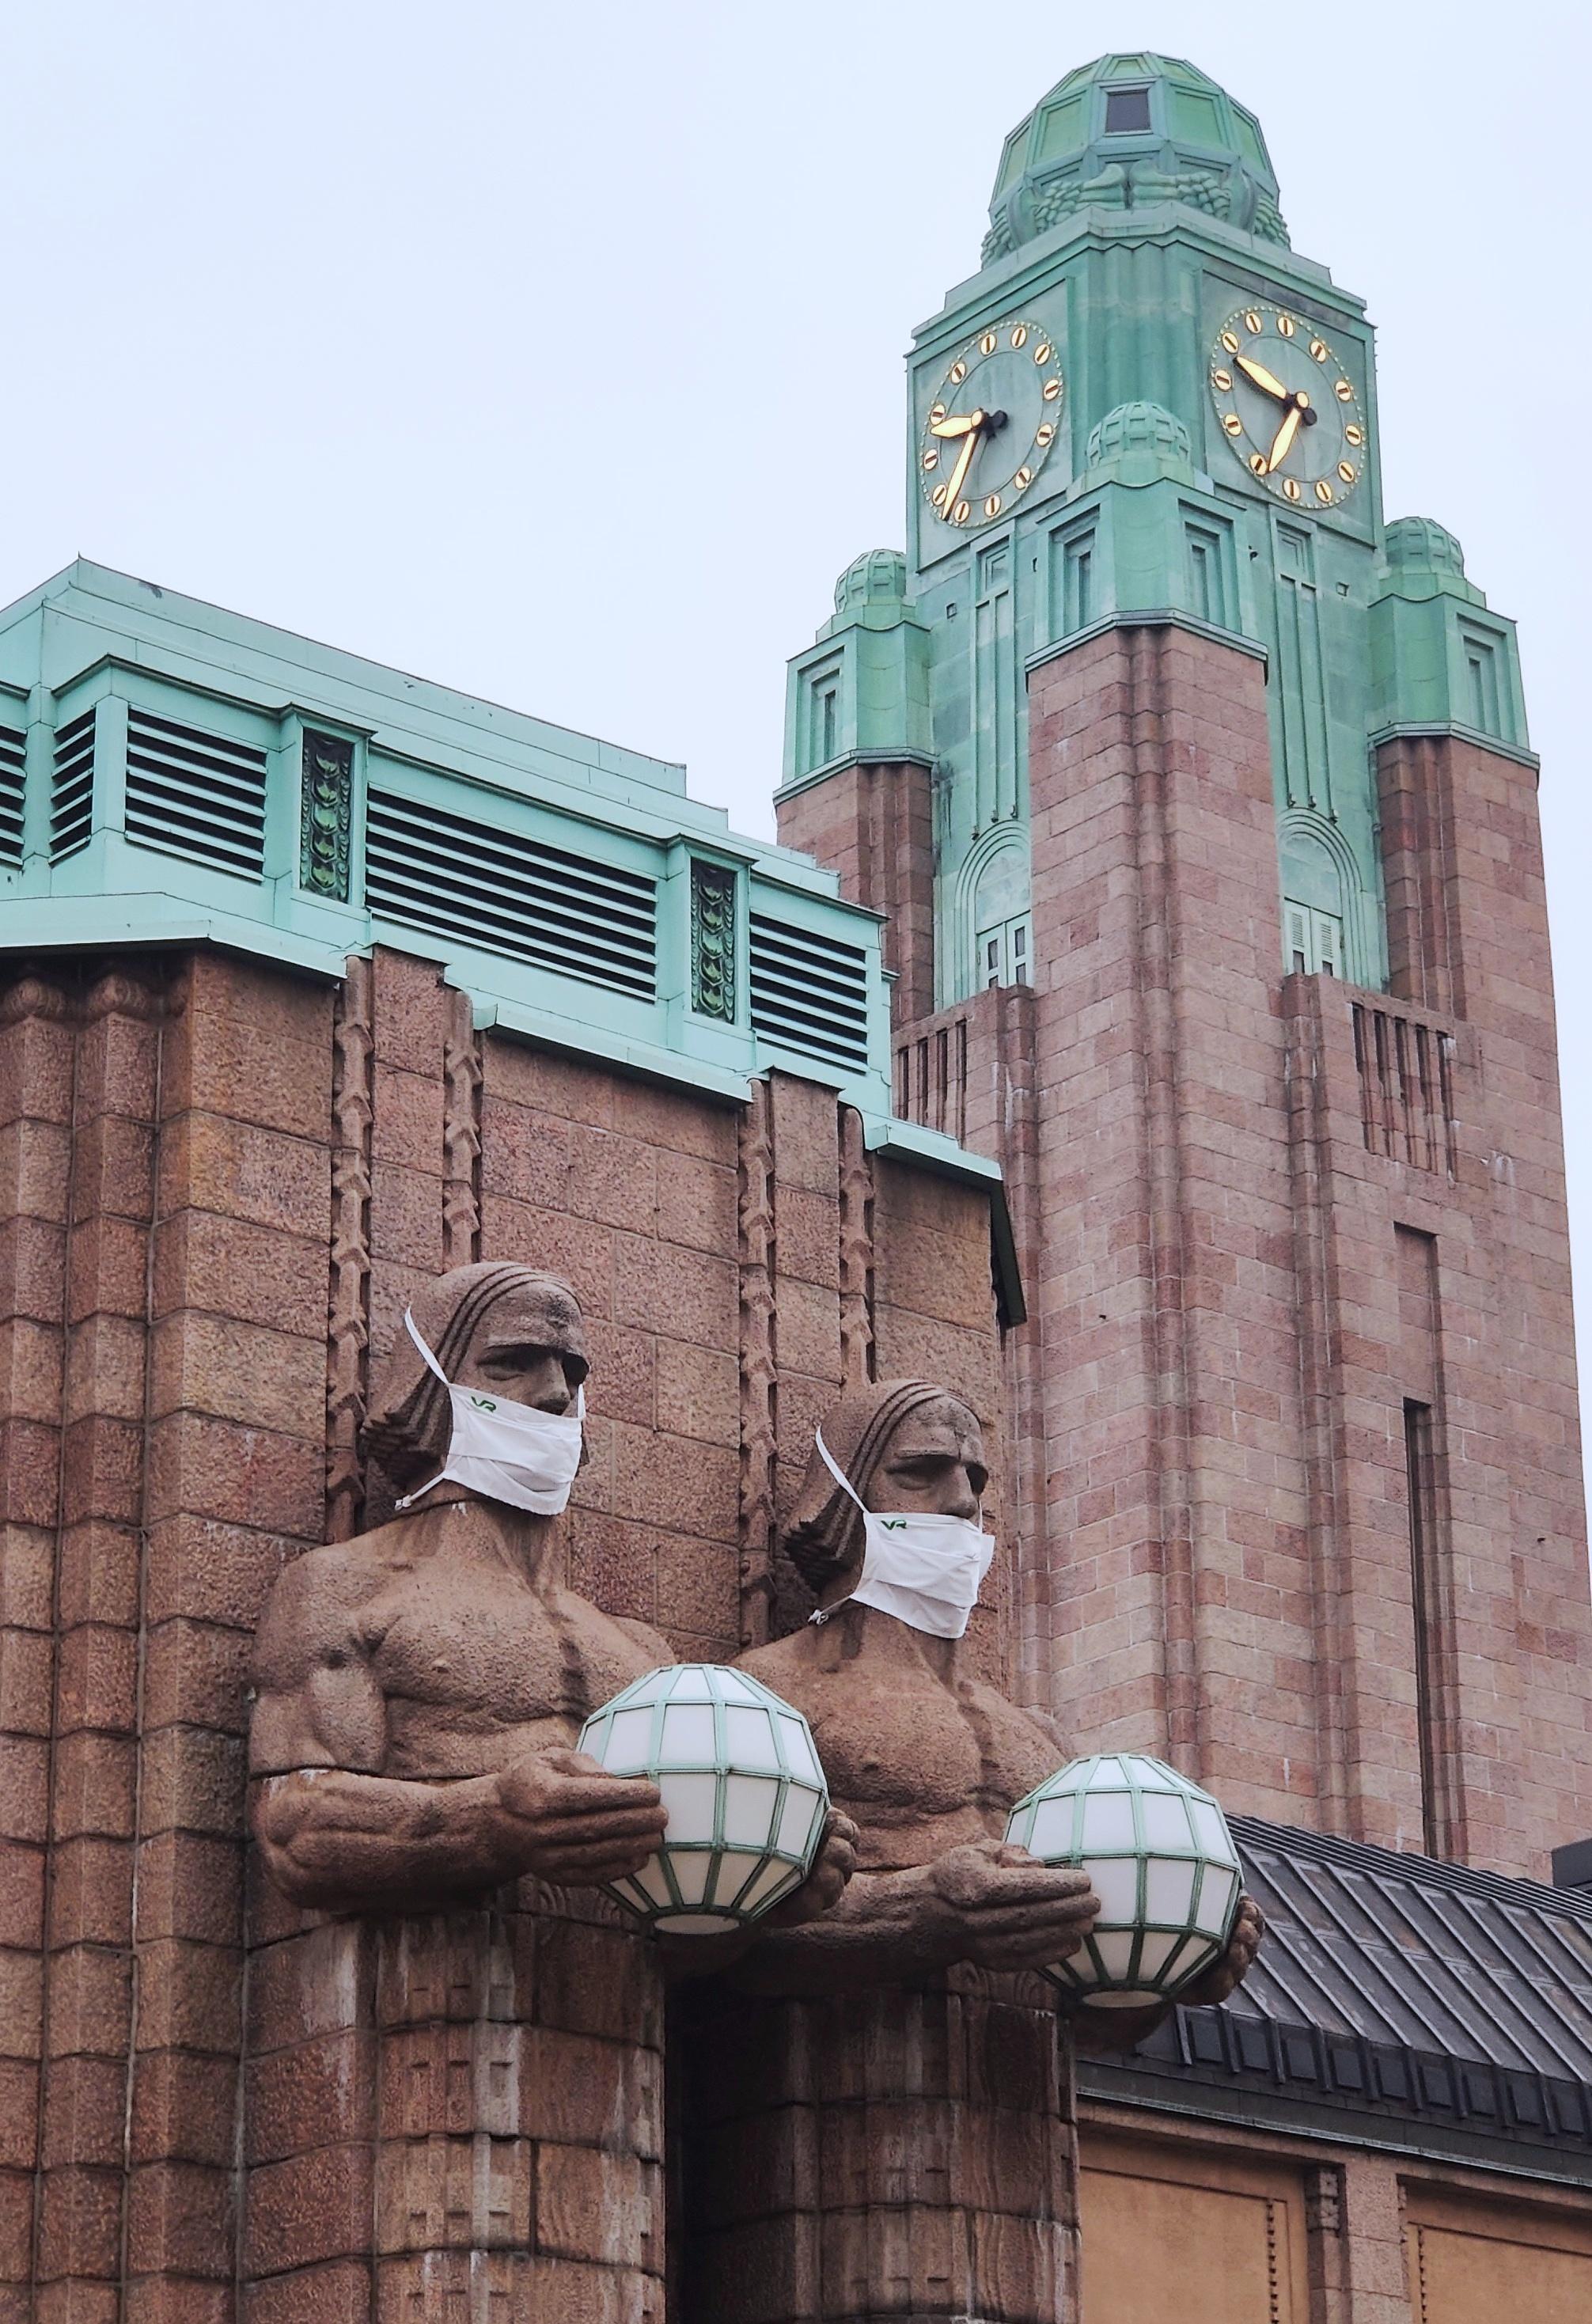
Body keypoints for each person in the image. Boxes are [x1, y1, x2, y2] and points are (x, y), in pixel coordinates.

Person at [249, 1260, 852, 1920]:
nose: (555, 1394)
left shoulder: (642, 1656)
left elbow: (681, 1924)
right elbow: (295, 1829)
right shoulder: (344, 1589)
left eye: (573, 1371)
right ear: (430, 1387)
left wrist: (768, 1880)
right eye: (513, 1363)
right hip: (422, 2000)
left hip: (628, 2011)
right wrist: (490, 1820)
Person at [729, 1377, 1262, 2028]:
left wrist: (1170, 1959)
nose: (961, 1501)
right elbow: (716, 1935)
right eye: (922, 1471)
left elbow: (1094, 2020)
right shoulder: (767, 1695)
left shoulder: (1042, 1741)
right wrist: (925, 1910)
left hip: (1034, 2107)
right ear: (842, 1496)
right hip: (832, 2087)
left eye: (975, 1479)